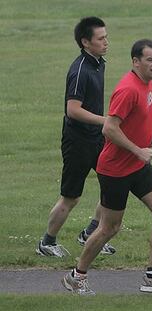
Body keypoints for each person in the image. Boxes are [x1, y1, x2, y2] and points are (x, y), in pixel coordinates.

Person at [61, 39, 152, 295]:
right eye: (150, 60)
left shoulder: (146, 83)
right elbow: (109, 128)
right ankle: (76, 276)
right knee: (109, 228)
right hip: (115, 169)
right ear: (135, 61)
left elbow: (133, 121)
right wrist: (139, 149)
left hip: (136, 165)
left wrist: (146, 138)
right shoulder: (128, 89)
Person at [36, 17, 115, 257]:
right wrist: (105, 120)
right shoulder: (80, 70)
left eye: (106, 37)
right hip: (78, 140)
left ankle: (90, 234)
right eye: (100, 39)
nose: (106, 42)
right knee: (71, 196)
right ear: (85, 42)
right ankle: (47, 243)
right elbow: (73, 109)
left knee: (112, 185)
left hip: (97, 137)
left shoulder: (98, 63)